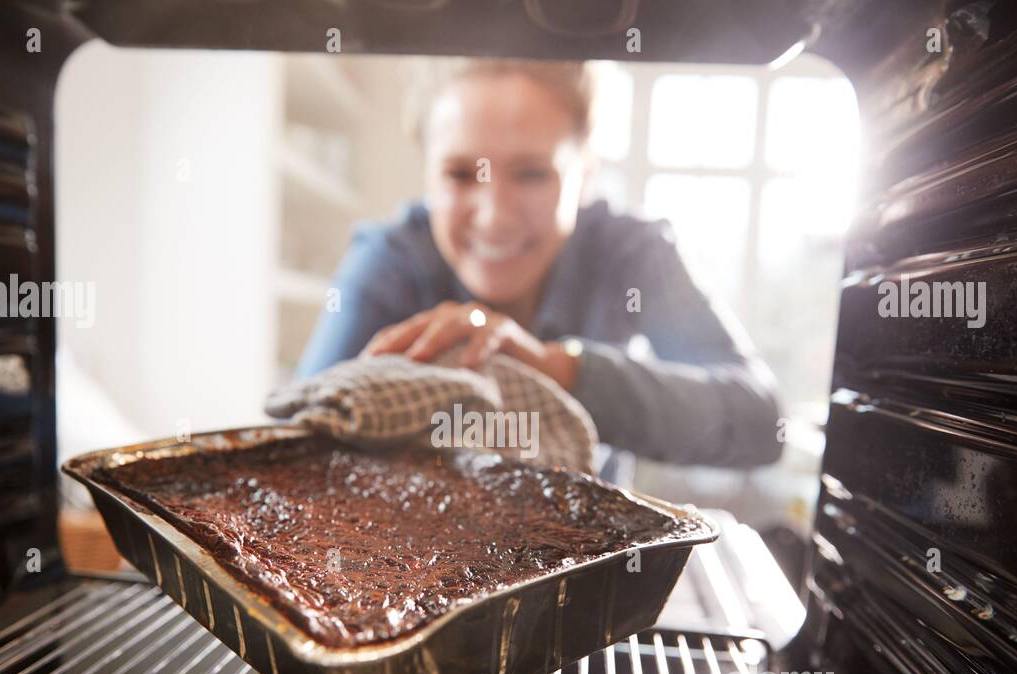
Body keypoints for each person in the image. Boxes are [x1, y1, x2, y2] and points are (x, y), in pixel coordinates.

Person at [293, 57, 782, 469]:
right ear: (427, 172)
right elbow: (294, 452)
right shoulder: (392, 259)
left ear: (584, 174)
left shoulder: (631, 254)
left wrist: (561, 369)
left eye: (531, 174)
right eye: (462, 174)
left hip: (594, 563)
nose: (494, 217)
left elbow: (762, 424)